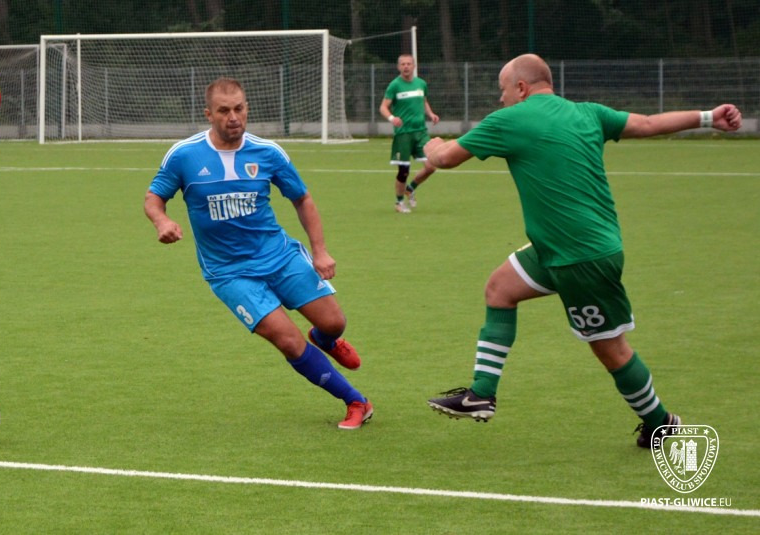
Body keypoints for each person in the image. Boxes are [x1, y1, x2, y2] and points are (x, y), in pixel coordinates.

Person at [423, 54, 742, 448]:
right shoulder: (588, 113)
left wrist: (432, 145)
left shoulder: (509, 119)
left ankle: (661, 424)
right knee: (500, 289)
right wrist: (708, 117)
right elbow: (646, 124)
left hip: (580, 258)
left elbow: (445, 159)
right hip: (559, 248)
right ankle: (481, 394)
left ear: (521, 88)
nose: (500, 99)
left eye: (502, 90)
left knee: (611, 350)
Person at [144, 78, 373, 430]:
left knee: (333, 322)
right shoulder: (184, 155)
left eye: (239, 108)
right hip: (229, 272)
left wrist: (320, 251)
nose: (233, 117)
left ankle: (325, 339)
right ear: (208, 114)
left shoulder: (268, 152)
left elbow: (302, 198)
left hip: (279, 256)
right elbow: (154, 198)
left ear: (247, 108)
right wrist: (162, 221)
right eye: (224, 111)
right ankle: (356, 401)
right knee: (288, 340)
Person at [379, 54, 440, 213]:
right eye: (403, 64)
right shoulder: (394, 85)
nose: (406, 66)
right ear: (398, 67)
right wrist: (392, 118)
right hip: (403, 134)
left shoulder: (421, 84)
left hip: (421, 132)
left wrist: (430, 113)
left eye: (408, 64)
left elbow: (423, 101)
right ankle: (399, 203)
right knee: (403, 171)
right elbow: (383, 107)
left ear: (414, 66)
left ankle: (410, 188)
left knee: (431, 166)